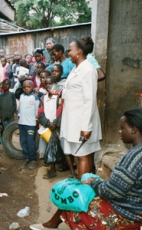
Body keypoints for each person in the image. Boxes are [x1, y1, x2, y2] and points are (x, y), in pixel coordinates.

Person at [31, 107, 142, 229]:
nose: (120, 132)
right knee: (83, 195)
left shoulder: (133, 157)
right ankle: (51, 224)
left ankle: (51, 225)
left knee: (73, 200)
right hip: (138, 208)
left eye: (122, 128)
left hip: (127, 215)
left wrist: (94, 182)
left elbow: (111, 192)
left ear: (133, 129)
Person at [60, 36, 102, 178]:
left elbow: (89, 100)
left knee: (83, 156)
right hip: (74, 119)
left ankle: (82, 190)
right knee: (84, 155)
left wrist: (86, 126)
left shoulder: (88, 70)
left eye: (70, 50)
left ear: (78, 51)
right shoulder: (77, 68)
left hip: (82, 122)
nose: (68, 53)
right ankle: (87, 188)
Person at [37, 76, 62, 179]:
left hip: (57, 126)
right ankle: (52, 169)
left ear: (55, 83)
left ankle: (53, 169)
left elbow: (61, 111)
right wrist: (48, 124)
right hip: (47, 127)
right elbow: (40, 114)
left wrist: (55, 123)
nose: (49, 86)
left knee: (55, 146)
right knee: (51, 146)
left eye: (51, 83)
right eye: (46, 84)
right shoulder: (43, 98)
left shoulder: (59, 97)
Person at [18, 80, 40, 170]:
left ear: (33, 87)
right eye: (24, 87)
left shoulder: (35, 97)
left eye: (28, 87)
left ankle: (33, 159)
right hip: (22, 123)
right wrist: (19, 115)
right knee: (23, 141)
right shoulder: (22, 96)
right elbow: (20, 108)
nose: (26, 88)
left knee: (30, 141)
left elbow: (37, 110)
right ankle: (26, 157)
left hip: (30, 123)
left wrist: (37, 120)